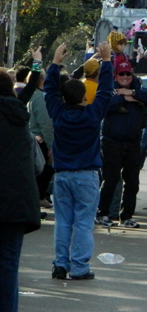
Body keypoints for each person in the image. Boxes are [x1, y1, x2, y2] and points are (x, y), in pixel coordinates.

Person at [45, 42, 114, 281]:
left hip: (62, 175)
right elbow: (106, 91)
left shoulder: (57, 112)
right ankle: (80, 267)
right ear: (85, 97)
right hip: (87, 174)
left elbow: (50, 90)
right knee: (83, 224)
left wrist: (55, 63)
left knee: (63, 222)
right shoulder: (92, 115)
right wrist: (106, 61)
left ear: (64, 98)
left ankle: (60, 264)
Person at [0, 52, 42, 312]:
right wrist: (38, 62)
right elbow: (29, 88)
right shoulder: (18, 113)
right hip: (18, 204)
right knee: (8, 267)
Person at [96, 62, 147, 229]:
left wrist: (132, 93)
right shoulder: (108, 89)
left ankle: (127, 216)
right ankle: (103, 213)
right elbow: (104, 106)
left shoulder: (138, 90)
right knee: (110, 180)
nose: (124, 77)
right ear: (115, 76)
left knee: (132, 182)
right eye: (121, 74)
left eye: (127, 74)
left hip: (132, 143)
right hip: (111, 142)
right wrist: (124, 98)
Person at [27, 71, 55, 207]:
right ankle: (39, 197)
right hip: (40, 140)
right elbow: (45, 124)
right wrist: (51, 146)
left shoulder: (29, 96)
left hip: (30, 137)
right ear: (42, 81)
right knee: (45, 169)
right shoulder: (41, 98)